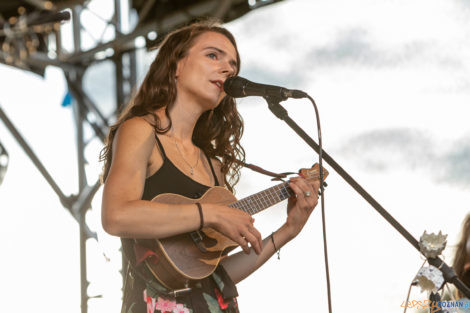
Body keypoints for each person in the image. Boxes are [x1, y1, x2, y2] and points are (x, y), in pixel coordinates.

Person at [100, 20, 320, 313]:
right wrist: (209, 214)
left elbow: (216, 276)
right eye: (213, 55)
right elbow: (116, 216)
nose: (228, 69)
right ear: (176, 65)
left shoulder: (212, 166)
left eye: (233, 65)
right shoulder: (141, 131)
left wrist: (288, 230)